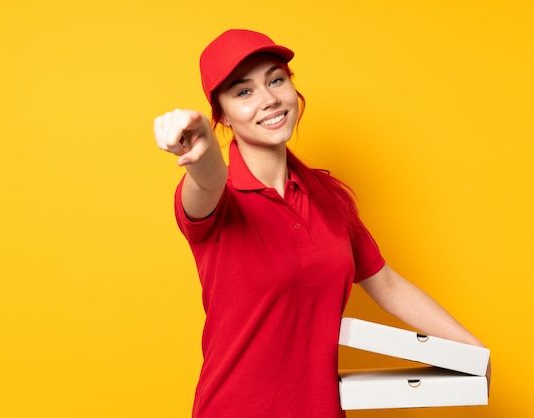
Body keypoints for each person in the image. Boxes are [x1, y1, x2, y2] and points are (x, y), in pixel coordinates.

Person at [154, 29, 490, 418]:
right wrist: (202, 151)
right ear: (222, 115)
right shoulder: (219, 200)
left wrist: (471, 350)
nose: (269, 99)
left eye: (276, 79)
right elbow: (207, 181)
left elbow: (387, 283)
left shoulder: (327, 195)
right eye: (243, 92)